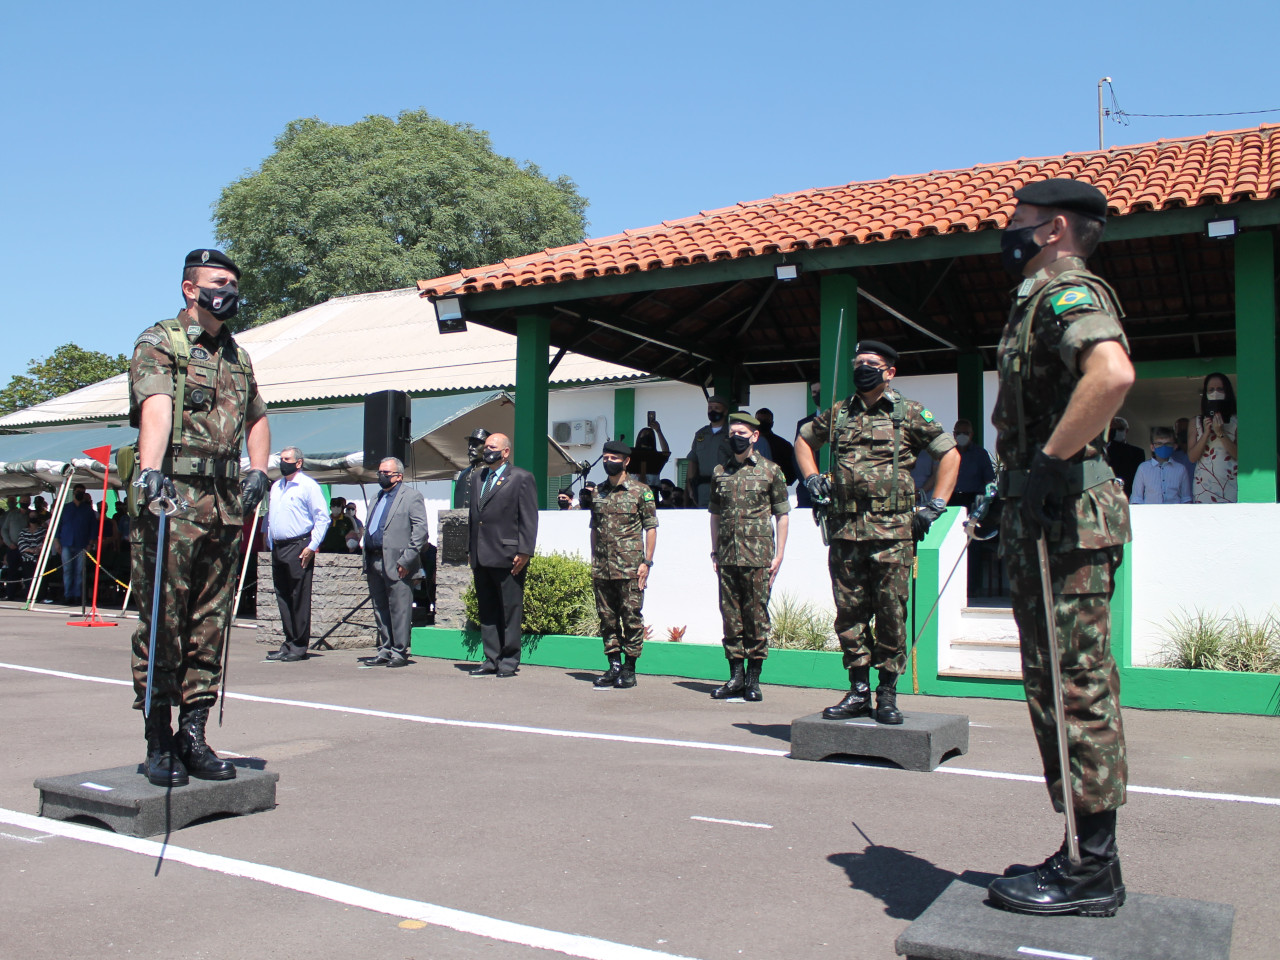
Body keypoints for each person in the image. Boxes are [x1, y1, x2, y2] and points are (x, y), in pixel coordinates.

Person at [985, 179, 1133, 917]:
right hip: (1045, 518)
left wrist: (1048, 464)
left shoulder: (1069, 292)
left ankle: (1091, 871)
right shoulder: (1037, 301)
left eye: (1017, 222)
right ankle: (1080, 848)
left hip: (1065, 520)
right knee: (1055, 688)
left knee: (1075, 690)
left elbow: (1110, 374)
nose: (1006, 231)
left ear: (1054, 229)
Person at [128, 247, 271, 787]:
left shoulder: (239, 355)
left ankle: (194, 733)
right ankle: (159, 738)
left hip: (225, 501)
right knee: (165, 620)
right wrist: (150, 469)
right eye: (218, 282)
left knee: (210, 622)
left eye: (233, 283)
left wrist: (258, 470)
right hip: (176, 498)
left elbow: (257, 416)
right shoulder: (161, 341)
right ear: (190, 288)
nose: (228, 291)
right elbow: (156, 407)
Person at [796, 340, 959, 725]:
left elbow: (949, 454)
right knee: (849, 613)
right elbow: (804, 440)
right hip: (846, 530)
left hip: (892, 531)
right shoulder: (838, 414)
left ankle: (887, 693)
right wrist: (812, 477)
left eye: (871, 363)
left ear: (890, 372)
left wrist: (934, 505)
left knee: (891, 613)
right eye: (858, 363)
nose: (862, 368)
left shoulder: (910, 413)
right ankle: (858, 692)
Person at [708, 413, 790, 702]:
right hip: (728, 556)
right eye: (732, 433)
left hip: (758, 557)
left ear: (755, 436)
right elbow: (715, 515)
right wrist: (715, 550)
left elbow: (782, 515)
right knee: (731, 617)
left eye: (742, 432)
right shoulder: (720, 471)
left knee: (756, 617)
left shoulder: (771, 471)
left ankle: (754, 680)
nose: (736, 437)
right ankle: (735, 677)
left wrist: (779, 554)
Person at [589, 440, 658, 689]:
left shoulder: (641, 491)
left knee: (631, 618)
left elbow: (651, 528)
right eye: (605, 457)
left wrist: (647, 562)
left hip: (630, 567)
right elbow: (593, 529)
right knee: (607, 618)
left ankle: (629, 669)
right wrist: (593, 559)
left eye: (614, 458)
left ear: (626, 461)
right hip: (603, 567)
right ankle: (613, 666)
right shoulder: (597, 492)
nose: (609, 461)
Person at [468, 433, 538, 677]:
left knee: (509, 610)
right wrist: (471, 549)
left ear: (505, 452)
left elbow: (529, 517)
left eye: (492, 447)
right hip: (481, 554)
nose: (487, 451)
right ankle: (491, 659)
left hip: (508, 555)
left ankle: (508, 661)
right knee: (487, 610)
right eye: (486, 447)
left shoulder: (521, 478)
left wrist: (525, 550)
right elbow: (474, 517)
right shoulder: (478, 477)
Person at [361, 457, 429, 667]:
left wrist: (407, 559)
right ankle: (385, 649)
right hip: (374, 559)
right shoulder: (376, 497)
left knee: (399, 609)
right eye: (379, 472)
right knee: (380, 608)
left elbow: (420, 531)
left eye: (386, 473)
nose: (381, 476)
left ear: (398, 476)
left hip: (399, 563)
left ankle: (399, 651)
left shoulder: (411, 497)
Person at [265, 447, 330, 662]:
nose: (282, 463)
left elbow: (322, 517)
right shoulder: (276, 487)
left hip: (298, 545)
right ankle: (288, 641)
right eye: (281, 459)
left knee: (298, 596)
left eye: (287, 459)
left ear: (298, 462)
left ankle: (299, 646)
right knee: (282, 596)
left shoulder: (308, 486)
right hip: (278, 546)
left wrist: (312, 545)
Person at [1188, 372, 1238, 503]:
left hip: (1231, 485)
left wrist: (1220, 432)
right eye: (1211, 390)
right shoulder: (1196, 422)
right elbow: (1192, 457)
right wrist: (1206, 434)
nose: (1215, 392)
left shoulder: (1237, 421)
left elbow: (1238, 455)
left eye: (1220, 389)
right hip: (1204, 487)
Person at [685, 395, 734, 508]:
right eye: (710, 408)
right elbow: (693, 460)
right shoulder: (700, 434)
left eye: (716, 408)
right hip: (703, 487)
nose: (712, 411)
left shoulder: (732, 434)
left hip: (725, 485)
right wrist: (690, 486)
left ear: (725, 411)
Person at [54, 483, 97, 605]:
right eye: (78, 491)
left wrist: (90, 543)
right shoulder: (65, 508)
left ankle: (77, 595)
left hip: (82, 544)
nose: (80, 494)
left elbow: (93, 528)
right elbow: (58, 525)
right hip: (66, 543)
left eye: (82, 492)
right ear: (74, 493)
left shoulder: (88, 510)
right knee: (67, 570)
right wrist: (56, 541)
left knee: (79, 571)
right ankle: (68, 595)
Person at [1130, 427, 1191, 505]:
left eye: (1168, 444)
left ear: (1175, 446)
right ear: (1152, 447)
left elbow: (1186, 498)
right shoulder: (1143, 468)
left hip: (1174, 515)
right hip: (1150, 515)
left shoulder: (1181, 469)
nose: (1163, 447)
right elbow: (1136, 498)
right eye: (1159, 444)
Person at [949, 419, 996, 510]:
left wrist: (988, 497)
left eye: (966, 433)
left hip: (973, 500)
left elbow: (989, 480)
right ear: (954, 434)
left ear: (971, 434)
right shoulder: (948, 454)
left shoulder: (981, 454)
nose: (962, 436)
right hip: (952, 499)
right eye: (958, 433)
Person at [794, 383, 823, 508]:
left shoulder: (838, 418)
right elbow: (796, 455)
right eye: (814, 393)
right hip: (808, 490)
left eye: (820, 392)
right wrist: (808, 481)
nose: (816, 396)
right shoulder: (803, 423)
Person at [1104, 416, 1145, 498]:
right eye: (1112, 429)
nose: (1115, 432)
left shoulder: (1137, 453)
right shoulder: (1102, 452)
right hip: (1106, 495)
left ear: (1126, 431)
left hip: (1128, 495)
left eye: (1119, 429)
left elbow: (1139, 479)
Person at [452, 428, 491, 510]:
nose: (470, 448)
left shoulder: (491, 473)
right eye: (469, 445)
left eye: (475, 444)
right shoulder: (464, 473)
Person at [629, 419, 671, 487]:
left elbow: (666, 452)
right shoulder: (632, 455)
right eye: (644, 434)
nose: (647, 437)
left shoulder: (656, 457)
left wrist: (658, 431)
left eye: (649, 435)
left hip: (651, 490)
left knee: (648, 497)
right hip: (633, 492)